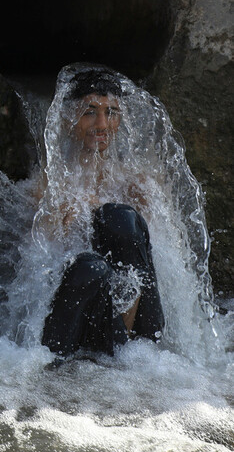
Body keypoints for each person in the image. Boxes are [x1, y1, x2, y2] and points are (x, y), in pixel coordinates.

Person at [35, 64, 195, 356]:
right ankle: (72, 361)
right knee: (89, 267)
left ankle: (132, 351)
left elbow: (161, 260)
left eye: (111, 113)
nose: (102, 124)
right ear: (69, 118)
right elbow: (38, 267)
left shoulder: (136, 183)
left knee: (119, 218)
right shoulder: (47, 187)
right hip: (79, 315)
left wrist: (103, 210)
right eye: (89, 112)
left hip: (141, 331)